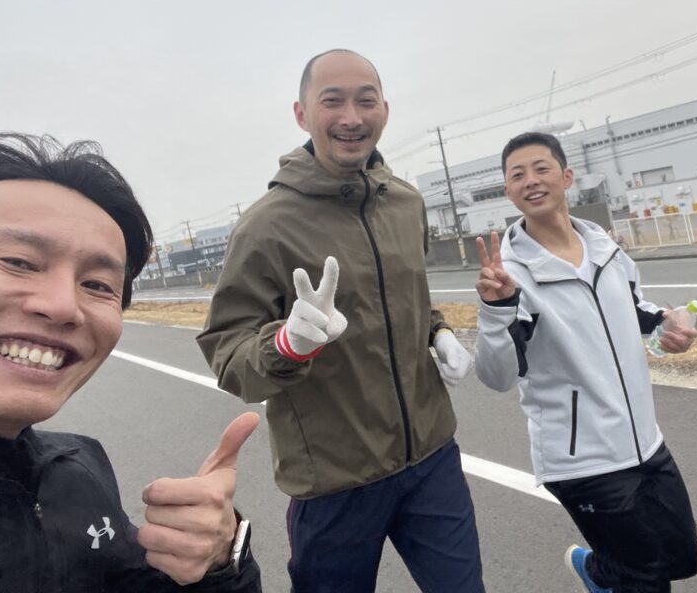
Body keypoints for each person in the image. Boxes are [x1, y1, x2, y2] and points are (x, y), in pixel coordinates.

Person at [198, 49, 484, 593]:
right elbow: (228, 352)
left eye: (365, 100)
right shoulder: (265, 227)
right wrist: (287, 345)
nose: (351, 117)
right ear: (302, 114)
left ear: (384, 111)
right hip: (334, 479)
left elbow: (407, 299)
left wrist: (438, 331)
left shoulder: (406, 204)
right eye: (332, 101)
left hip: (432, 458)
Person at [0, 133, 262, 592]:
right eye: (18, 261)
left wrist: (220, 559)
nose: (64, 307)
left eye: (98, 285)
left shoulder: (76, 466)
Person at [474, 132, 697, 593]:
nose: (531, 180)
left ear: (566, 177)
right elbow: (497, 375)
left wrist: (666, 324)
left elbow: (636, 307)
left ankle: (598, 572)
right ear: (508, 191)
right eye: (517, 175)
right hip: (582, 459)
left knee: (683, 557)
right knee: (646, 580)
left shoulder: (605, 248)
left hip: (644, 439)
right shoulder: (511, 275)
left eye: (541, 168)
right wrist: (496, 309)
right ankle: (616, 575)